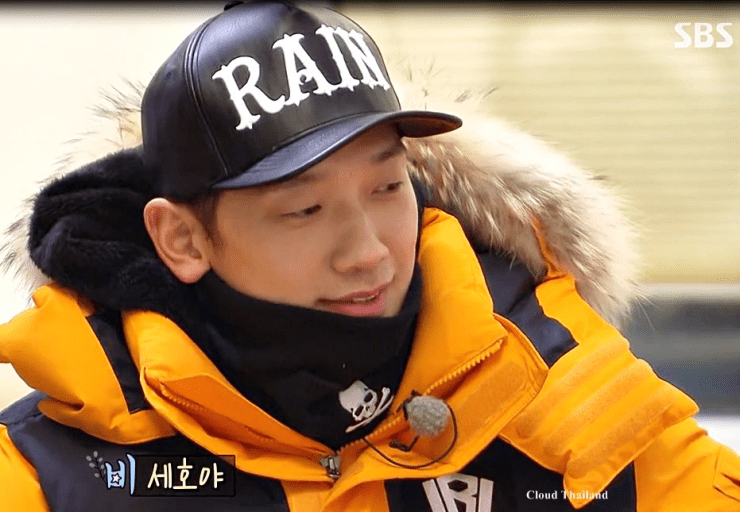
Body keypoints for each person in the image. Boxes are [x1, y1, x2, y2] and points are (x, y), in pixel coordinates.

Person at [1, 1, 739, 511]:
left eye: (389, 187)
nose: (370, 254)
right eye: (304, 210)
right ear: (182, 239)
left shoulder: (561, 391)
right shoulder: (51, 469)